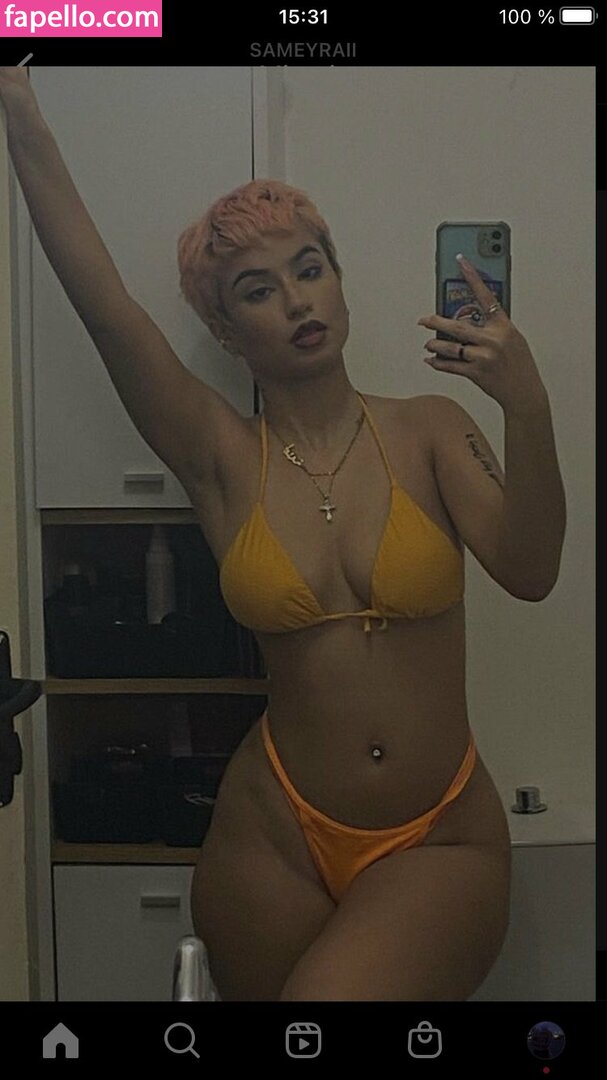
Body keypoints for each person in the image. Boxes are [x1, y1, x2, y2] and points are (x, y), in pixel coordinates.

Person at [0, 68, 567, 1003]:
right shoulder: (221, 456)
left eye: (310, 269)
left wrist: (527, 406)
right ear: (226, 331)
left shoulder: (429, 429)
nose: (298, 302)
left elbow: (532, 568)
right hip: (271, 835)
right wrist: (19, 104)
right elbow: (103, 305)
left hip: (438, 835)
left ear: (338, 281)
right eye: (258, 290)